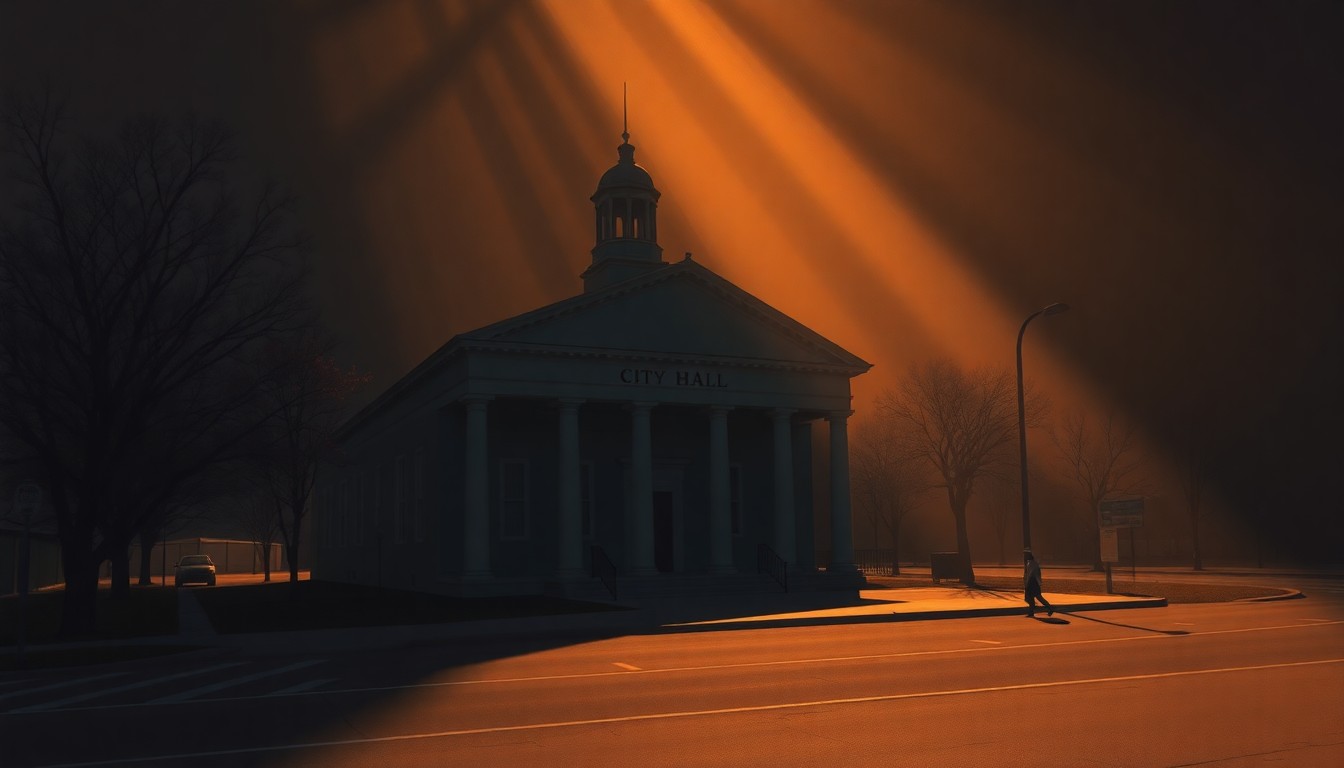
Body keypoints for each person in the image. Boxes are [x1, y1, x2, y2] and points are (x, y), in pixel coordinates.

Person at [1023, 550, 1053, 617]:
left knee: (1032, 598)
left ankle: (1048, 608)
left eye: (1025, 556)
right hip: (1034, 582)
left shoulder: (1031, 564)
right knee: (1034, 598)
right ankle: (1049, 608)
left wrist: (1027, 583)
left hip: (1032, 583)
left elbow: (1030, 575)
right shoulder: (1032, 563)